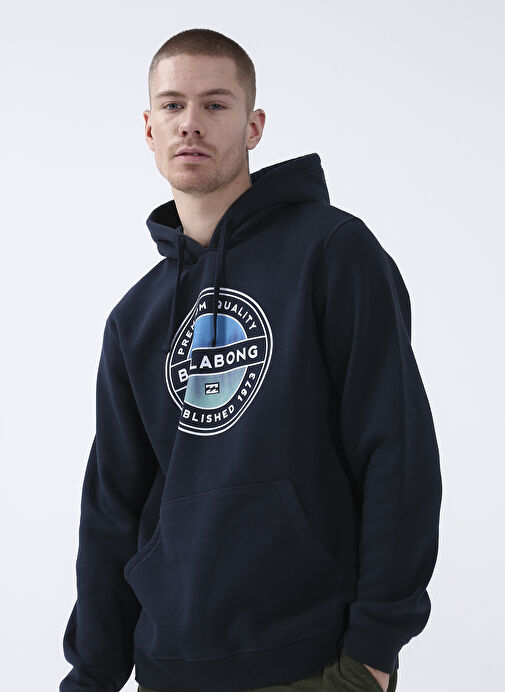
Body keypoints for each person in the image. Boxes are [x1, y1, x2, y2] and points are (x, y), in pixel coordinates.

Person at [59, 28, 442, 692]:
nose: (191, 123)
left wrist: (374, 653)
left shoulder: (332, 252)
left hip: (312, 661)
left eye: (215, 104)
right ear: (149, 128)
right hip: (169, 667)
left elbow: (396, 452)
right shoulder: (134, 319)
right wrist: (91, 676)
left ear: (253, 126)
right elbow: (111, 511)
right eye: (172, 105)